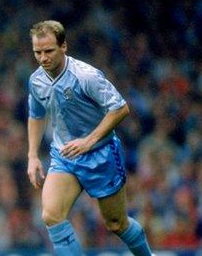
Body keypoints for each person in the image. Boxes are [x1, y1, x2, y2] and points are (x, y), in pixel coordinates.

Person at [25, 20, 153, 255]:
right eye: (38, 52)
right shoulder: (36, 80)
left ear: (64, 47)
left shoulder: (86, 76)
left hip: (101, 153)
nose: (43, 58)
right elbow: (36, 114)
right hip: (64, 156)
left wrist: (89, 140)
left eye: (49, 51)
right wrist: (33, 155)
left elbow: (120, 108)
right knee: (51, 215)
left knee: (116, 223)